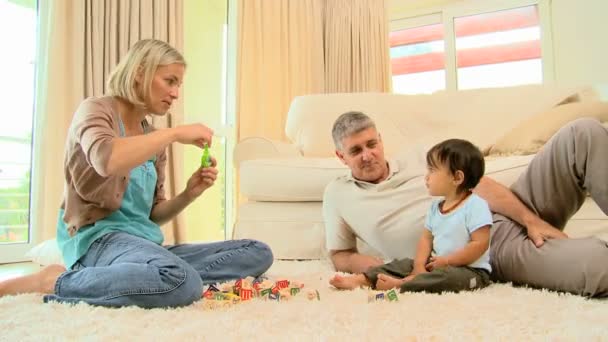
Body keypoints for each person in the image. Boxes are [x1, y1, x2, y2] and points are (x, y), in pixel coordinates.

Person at [0, 39, 273, 308]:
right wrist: (175, 133)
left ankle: (151, 275)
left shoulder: (154, 139)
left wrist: (189, 194)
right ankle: (56, 281)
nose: (176, 93)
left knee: (257, 252)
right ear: (140, 71)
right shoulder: (95, 110)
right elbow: (106, 160)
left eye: (179, 84)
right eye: (170, 81)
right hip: (97, 240)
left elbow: (153, 215)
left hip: (144, 244)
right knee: (181, 281)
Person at [324, 111, 608, 298]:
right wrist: (381, 266)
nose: (368, 155)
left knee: (582, 133)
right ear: (341, 156)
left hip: (509, 211)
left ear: (381, 140)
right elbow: (341, 253)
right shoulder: (338, 194)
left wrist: (531, 220)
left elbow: (479, 186)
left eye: (372, 144)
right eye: (356, 150)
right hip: (488, 249)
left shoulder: (424, 156)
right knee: (598, 265)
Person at [330, 139, 493, 293]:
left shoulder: (475, 205)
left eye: (433, 170)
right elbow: (426, 239)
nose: (426, 176)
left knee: (448, 278)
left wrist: (448, 261)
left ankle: (403, 285)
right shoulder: (435, 207)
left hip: (470, 271)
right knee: (403, 264)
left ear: (457, 178)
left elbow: (480, 244)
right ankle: (364, 280)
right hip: (438, 263)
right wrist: (419, 266)